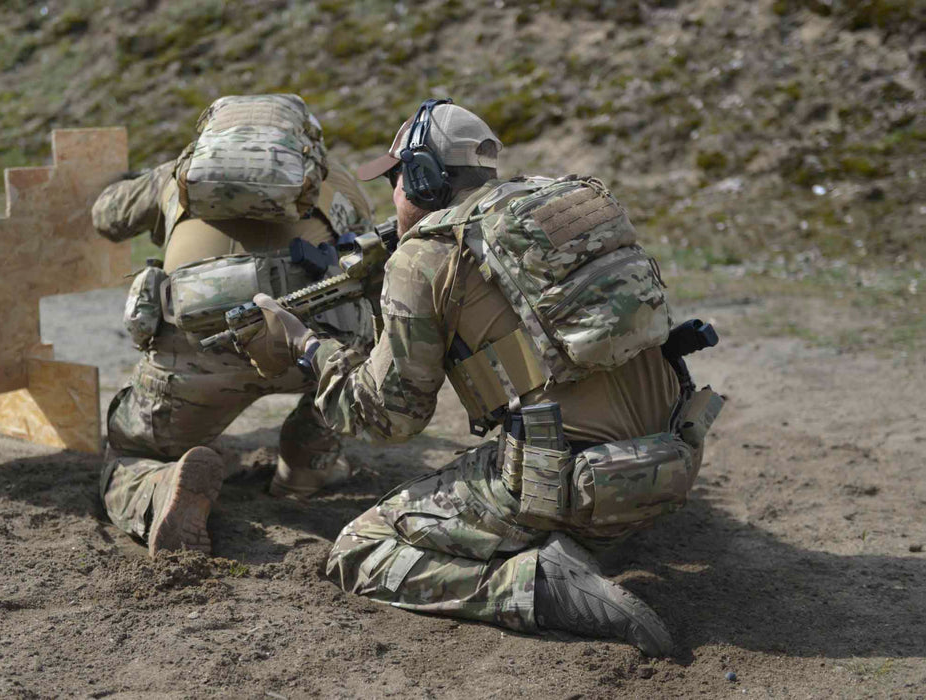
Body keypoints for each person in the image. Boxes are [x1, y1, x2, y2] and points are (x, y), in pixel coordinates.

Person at [246, 99, 724, 657]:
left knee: (359, 549)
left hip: (571, 489)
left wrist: (304, 346)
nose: (393, 195)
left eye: (398, 179)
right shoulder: (557, 216)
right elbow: (520, 335)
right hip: (669, 463)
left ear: (423, 180)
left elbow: (389, 418)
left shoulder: (425, 256)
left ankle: (540, 589)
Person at [92, 94, 376, 558]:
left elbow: (106, 217)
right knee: (351, 349)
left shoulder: (176, 177)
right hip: (303, 352)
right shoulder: (338, 182)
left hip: (197, 355)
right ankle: (304, 468)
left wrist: (137, 187)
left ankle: (159, 488)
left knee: (130, 451)